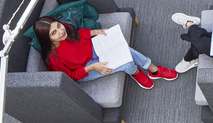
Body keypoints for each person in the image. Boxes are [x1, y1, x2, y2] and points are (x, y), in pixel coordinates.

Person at [34, 16, 178, 90]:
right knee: (125, 62)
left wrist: (95, 32)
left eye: (58, 26)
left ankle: (154, 70)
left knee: (126, 49)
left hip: (93, 48)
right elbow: (71, 76)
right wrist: (91, 67)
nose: (61, 31)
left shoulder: (65, 33)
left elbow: (77, 35)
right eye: (54, 32)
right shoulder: (54, 59)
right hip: (85, 69)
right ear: (47, 38)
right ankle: (135, 72)